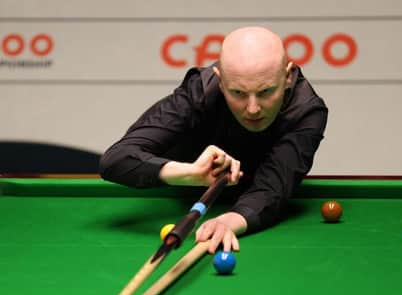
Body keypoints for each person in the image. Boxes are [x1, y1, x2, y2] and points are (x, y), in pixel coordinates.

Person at [99, 26, 328, 253]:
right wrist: (190, 174)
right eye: (238, 93)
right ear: (220, 80)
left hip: (255, 193)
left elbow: (273, 187)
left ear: (287, 77)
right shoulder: (201, 91)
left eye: (266, 91)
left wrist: (232, 220)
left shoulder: (306, 111)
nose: (253, 108)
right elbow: (116, 159)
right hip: (188, 191)